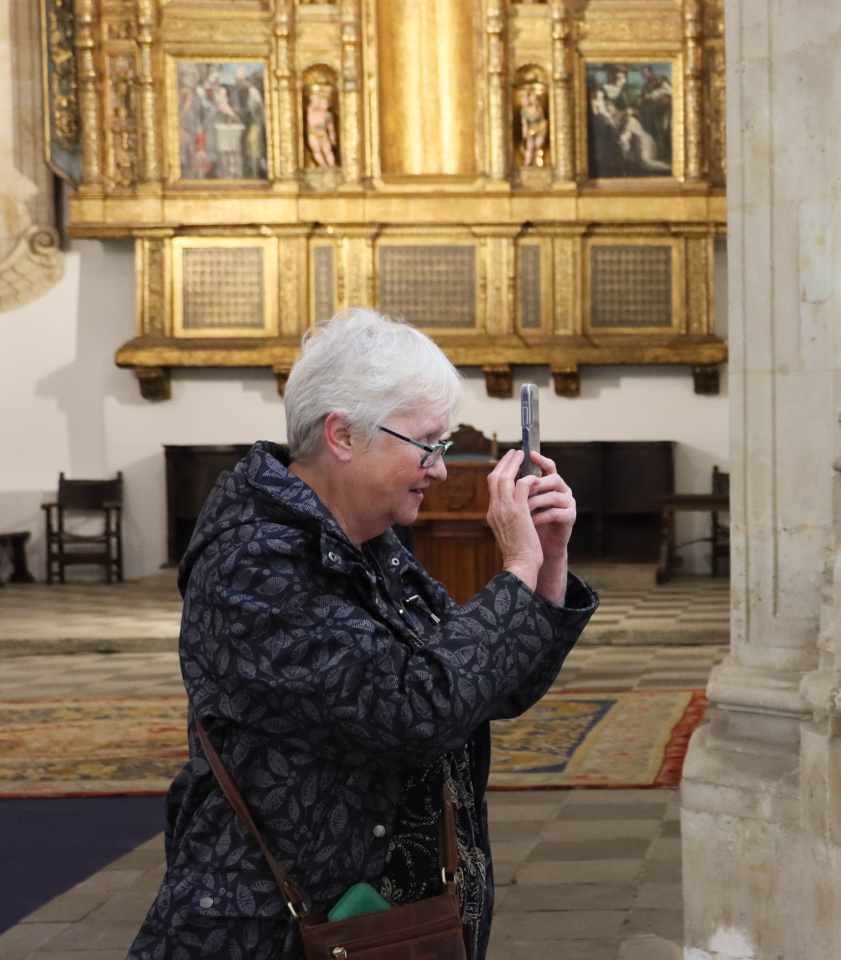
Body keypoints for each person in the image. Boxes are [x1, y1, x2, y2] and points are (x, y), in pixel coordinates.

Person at [125, 309, 597, 960]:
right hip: (274, 929)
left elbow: (484, 688)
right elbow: (417, 712)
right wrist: (515, 569)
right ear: (342, 434)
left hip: (386, 926)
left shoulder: (370, 543)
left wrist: (548, 561)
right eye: (428, 442)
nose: (439, 467)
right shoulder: (250, 566)